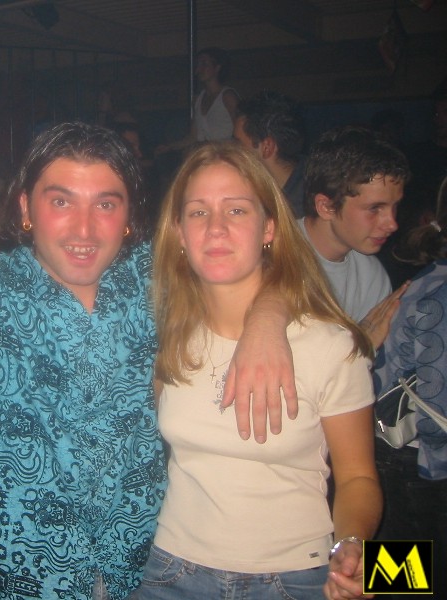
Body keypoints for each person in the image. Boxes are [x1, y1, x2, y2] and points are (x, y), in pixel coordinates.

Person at [0, 121, 298, 600]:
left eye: (105, 204)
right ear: (26, 208)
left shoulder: (153, 274)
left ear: (129, 215)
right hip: (28, 569)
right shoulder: (0, 286)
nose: (83, 229)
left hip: (150, 564)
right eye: (61, 202)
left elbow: (262, 266)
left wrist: (267, 319)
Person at [139, 141, 380, 600]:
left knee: (416, 578)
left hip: (298, 577)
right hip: (170, 571)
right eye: (198, 212)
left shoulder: (331, 345)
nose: (215, 228)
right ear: (178, 233)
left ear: (269, 227)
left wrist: (354, 546)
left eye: (236, 210)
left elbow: (359, 478)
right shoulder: (165, 335)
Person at [372, 175, 447, 600]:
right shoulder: (437, 296)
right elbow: (437, 407)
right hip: (410, 466)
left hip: (404, 462)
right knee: (404, 589)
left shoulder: (430, 281)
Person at [301, 125, 411, 347]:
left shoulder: (372, 276)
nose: (392, 224)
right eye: (374, 208)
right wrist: (358, 349)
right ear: (326, 207)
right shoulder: (270, 255)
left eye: (395, 206)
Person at [232, 89, 307, 218]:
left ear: (267, 147)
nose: (232, 151)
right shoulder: (254, 187)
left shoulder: (306, 208)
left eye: (238, 144)